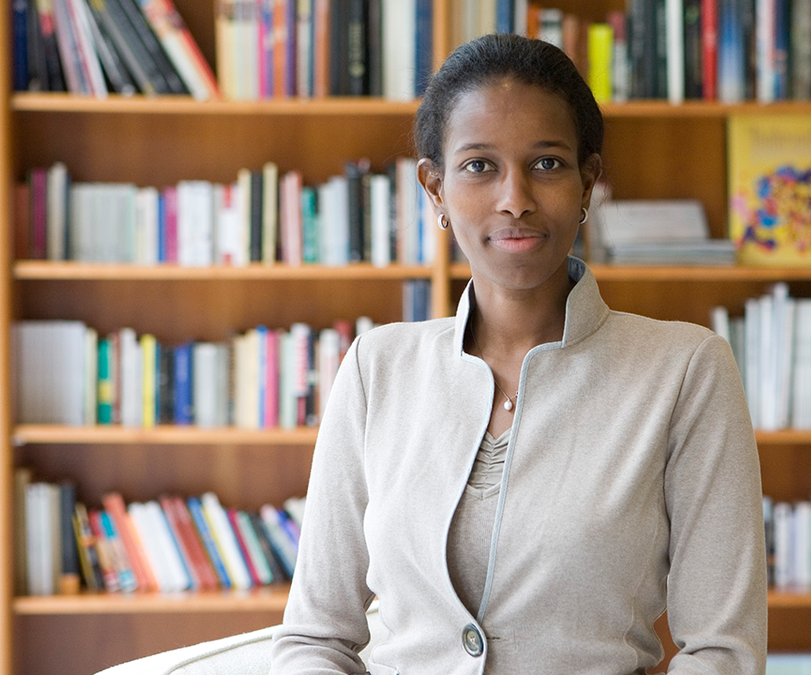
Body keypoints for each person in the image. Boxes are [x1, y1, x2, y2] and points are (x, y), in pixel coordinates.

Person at [270, 34, 767, 675]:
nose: (516, 199)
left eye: (548, 164)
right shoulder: (376, 368)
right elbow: (315, 639)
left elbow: (720, 653)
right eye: (479, 165)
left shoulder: (685, 370)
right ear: (436, 188)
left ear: (588, 180)